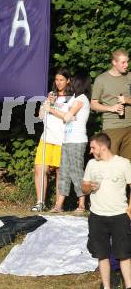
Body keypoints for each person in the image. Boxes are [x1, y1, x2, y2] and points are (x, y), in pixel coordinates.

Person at [82, 133, 131, 289]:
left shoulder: (123, 163)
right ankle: (107, 285)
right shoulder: (91, 164)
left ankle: (128, 285)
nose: (90, 151)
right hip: (97, 216)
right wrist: (89, 187)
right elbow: (83, 187)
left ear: (103, 147)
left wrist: (130, 207)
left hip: (119, 216)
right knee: (101, 254)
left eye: (93, 147)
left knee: (124, 254)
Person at [45, 72, 91, 213]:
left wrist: (51, 110)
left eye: (74, 81)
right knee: (64, 171)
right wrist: (51, 104)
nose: (70, 83)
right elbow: (65, 114)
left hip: (77, 140)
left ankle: (82, 204)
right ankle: (59, 205)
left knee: (76, 171)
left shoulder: (81, 99)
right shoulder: (74, 99)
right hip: (67, 139)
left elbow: (67, 117)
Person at [30, 69, 72, 212]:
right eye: (56, 80)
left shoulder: (72, 99)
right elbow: (41, 116)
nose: (58, 82)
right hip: (47, 139)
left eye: (61, 80)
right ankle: (40, 202)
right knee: (40, 169)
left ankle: (58, 205)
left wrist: (53, 108)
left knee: (61, 173)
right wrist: (48, 102)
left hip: (62, 140)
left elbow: (69, 117)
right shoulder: (50, 97)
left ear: (68, 81)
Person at [91, 49, 131, 158]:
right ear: (114, 62)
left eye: (127, 62)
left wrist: (127, 100)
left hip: (129, 127)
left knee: (128, 165)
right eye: (123, 62)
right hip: (112, 127)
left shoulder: (129, 76)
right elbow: (93, 104)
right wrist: (111, 108)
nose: (126, 65)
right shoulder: (101, 79)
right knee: (111, 163)